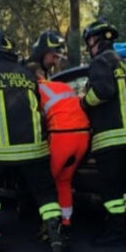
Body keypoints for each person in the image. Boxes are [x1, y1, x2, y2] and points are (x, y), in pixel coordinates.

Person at [0, 29, 67, 252]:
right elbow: (39, 108)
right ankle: (55, 236)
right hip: (34, 150)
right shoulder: (26, 74)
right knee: (45, 193)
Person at [80, 19, 126, 246]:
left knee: (110, 188)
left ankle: (114, 232)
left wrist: (84, 103)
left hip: (111, 137)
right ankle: (122, 227)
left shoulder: (100, 62)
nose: (89, 46)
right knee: (122, 188)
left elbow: (103, 92)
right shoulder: (121, 62)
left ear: (95, 40)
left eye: (89, 41)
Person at [25, 61, 89, 234]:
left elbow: (37, 119)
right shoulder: (63, 86)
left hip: (62, 136)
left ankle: (51, 226)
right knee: (64, 181)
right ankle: (66, 222)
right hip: (83, 136)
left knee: (47, 183)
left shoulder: (36, 91)